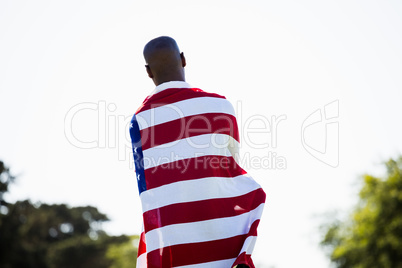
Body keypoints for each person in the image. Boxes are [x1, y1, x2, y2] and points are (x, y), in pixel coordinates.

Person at [130, 36, 266, 268]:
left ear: (148, 72)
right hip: (223, 233)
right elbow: (231, 167)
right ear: (183, 59)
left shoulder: (139, 121)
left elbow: (148, 192)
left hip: (174, 244)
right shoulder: (221, 106)